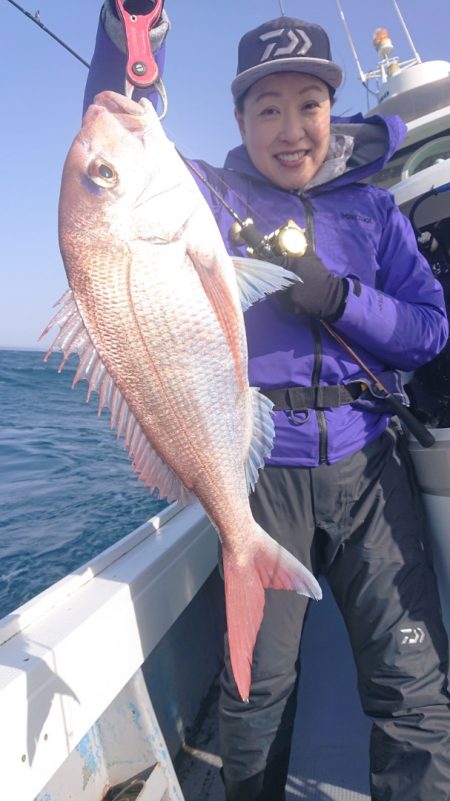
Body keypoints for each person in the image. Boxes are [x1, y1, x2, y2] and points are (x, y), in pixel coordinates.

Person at [85, 5, 450, 800]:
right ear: (241, 118)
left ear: (334, 110)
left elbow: (428, 332)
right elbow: (111, 155)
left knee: (412, 686)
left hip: (368, 466)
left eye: (308, 106)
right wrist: (128, 35)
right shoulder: (205, 200)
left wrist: (340, 297)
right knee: (255, 698)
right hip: (262, 475)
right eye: (268, 109)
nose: (291, 129)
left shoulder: (375, 211)